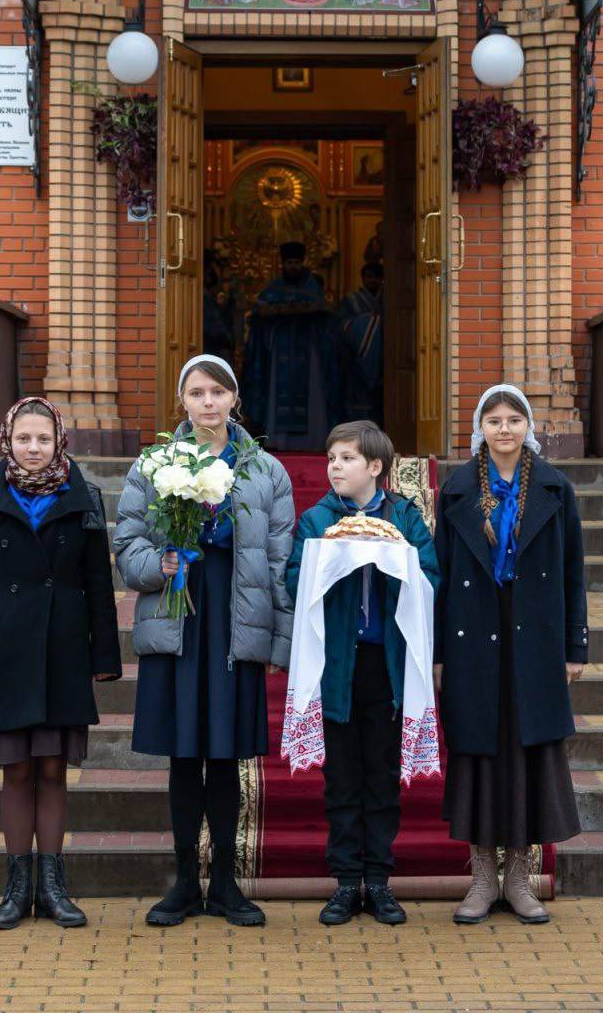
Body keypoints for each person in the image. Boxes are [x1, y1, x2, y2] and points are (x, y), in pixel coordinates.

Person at [113, 355, 295, 927]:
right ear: (183, 402)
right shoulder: (155, 464)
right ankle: (185, 883)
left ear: (234, 399)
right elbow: (127, 543)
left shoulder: (266, 470)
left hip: (234, 622)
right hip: (180, 618)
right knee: (184, 755)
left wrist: (279, 641)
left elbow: (280, 558)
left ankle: (225, 885)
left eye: (218, 391)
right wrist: (157, 563)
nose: (208, 402)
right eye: (197, 393)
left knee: (225, 757)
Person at [0, 396, 122, 931]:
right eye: (24, 438)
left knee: (53, 769)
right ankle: (17, 887)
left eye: (43, 439)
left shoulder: (83, 497)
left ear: (59, 440)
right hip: (4, 652)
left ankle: (53, 885)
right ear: (8, 440)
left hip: (62, 649)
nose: (34, 448)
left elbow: (98, 584)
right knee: (17, 772)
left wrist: (104, 655)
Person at [433, 385, 587, 926]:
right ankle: (480, 878)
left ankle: (519, 879)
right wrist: (437, 652)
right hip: (473, 636)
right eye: (494, 420)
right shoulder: (456, 490)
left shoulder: (554, 487)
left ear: (528, 427)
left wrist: (574, 645)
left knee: (527, 755)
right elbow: (442, 577)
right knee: (478, 752)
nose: (504, 429)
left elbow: (573, 573)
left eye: (514, 419)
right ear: (480, 427)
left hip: (535, 639)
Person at [286, 421, 440, 927]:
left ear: (376, 467)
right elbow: (294, 578)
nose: (335, 467)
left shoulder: (405, 518)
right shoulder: (317, 520)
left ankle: (379, 880)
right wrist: (332, 560)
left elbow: (430, 577)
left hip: (387, 666)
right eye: (331, 459)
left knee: (381, 775)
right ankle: (345, 881)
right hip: (339, 666)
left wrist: (394, 560)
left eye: (347, 459)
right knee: (342, 777)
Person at [243, 241, 333, 450]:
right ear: (283, 263)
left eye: (296, 262)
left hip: (308, 351)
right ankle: (279, 441)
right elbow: (259, 312)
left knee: (311, 393)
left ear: (302, 262)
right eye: (289, 263)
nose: (293, 267)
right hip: (279, 351)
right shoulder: (273, 288)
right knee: (278, 393)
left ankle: (312, 441)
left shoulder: (312, 287)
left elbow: (323, 313)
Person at [335, 263, 384, 423]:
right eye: (369, 276)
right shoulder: (351, 300)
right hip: (354, 357)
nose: (373, 280)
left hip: (383, 359)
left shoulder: (389, 298)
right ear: (363, 279)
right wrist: (369, 323)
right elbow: (341, 324)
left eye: (376, 277)